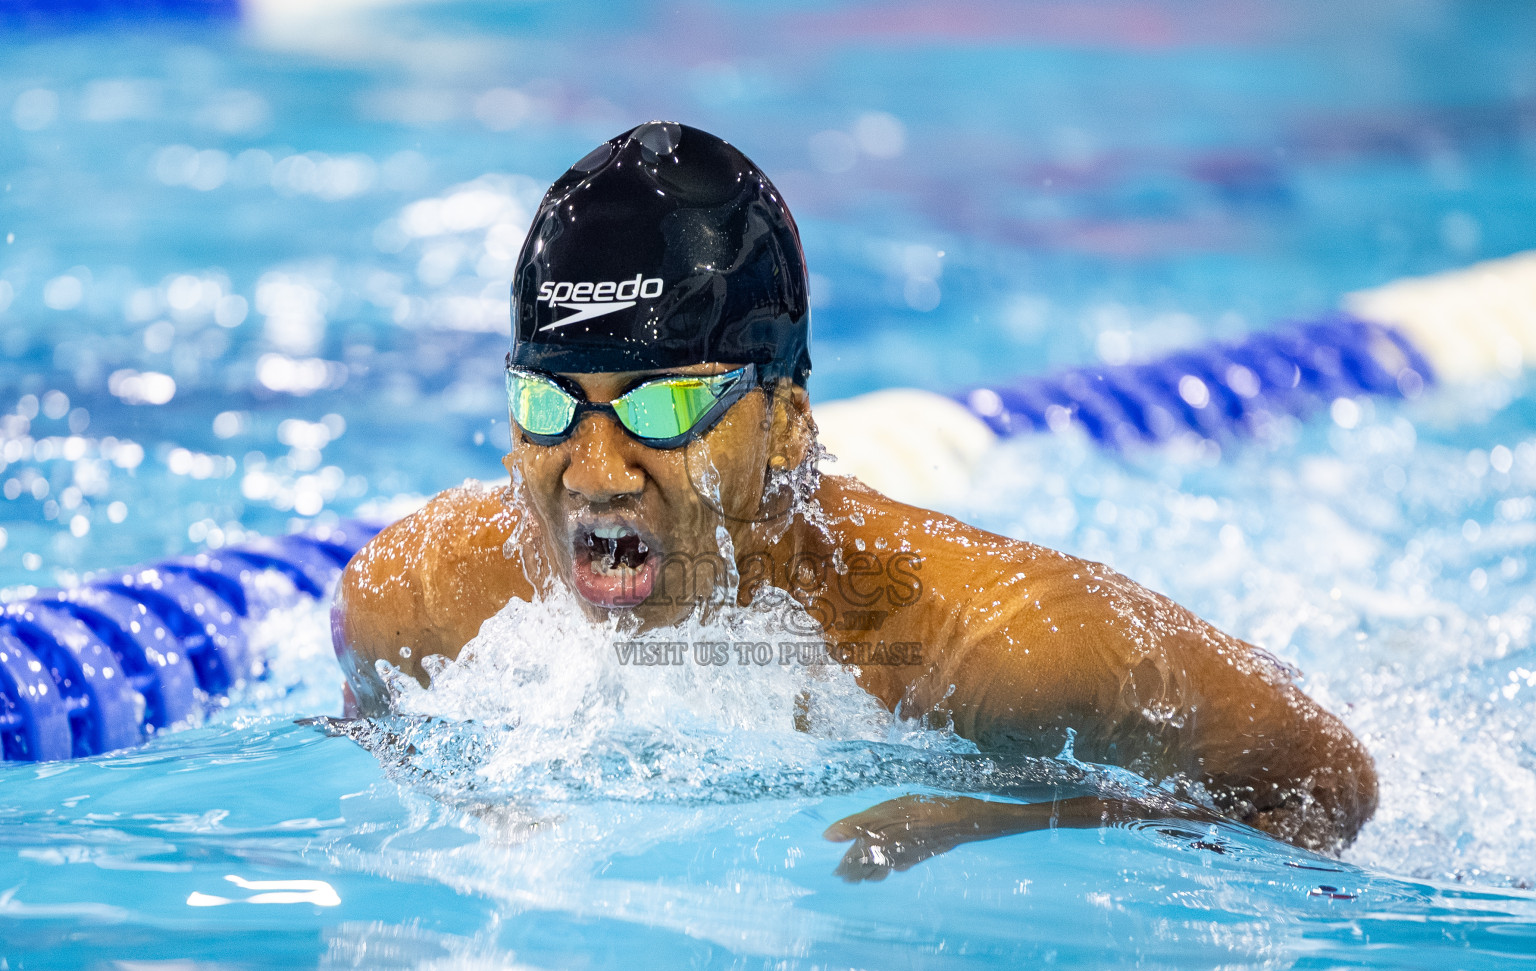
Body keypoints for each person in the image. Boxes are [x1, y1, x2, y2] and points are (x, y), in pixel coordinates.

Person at [332, 122, 1377, 873]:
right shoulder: (417, 605)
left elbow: (1326, 784)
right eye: (551, 403)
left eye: (662, 407)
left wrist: (1027, 815)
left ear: (785, 422)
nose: (596, 468)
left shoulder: (992, 645)